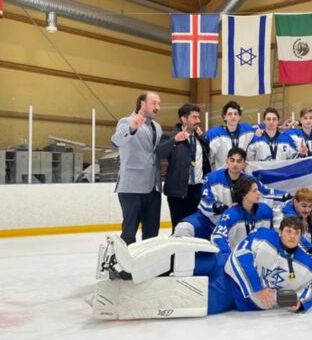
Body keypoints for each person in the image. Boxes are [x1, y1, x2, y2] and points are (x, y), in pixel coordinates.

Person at [207, 217, 312, 314]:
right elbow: (241, 254)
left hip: (237, 297)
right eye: (288, 231)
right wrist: (257, 288)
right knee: (199, 261)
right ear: (280, 231)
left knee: (202, 303)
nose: (292, 236)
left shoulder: (307, 264)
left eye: (297, 233)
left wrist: (300, 302)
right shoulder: (264, 236)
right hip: (229, 276)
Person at [174, 147, 286, 240]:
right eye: (232, 160)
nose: (235, 164)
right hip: (209, 220)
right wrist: (221, 207)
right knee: (183, 228)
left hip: (233, 222)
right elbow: (204, 201)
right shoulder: (212, 178)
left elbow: (267, 192)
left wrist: (286, 196)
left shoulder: (250, 181)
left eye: (239, 161)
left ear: (244, 164)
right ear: (227, 161)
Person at [111, 92, 163, 245]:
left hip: (153, 186)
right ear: (142, 104)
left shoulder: (157, 127)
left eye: (159, 104)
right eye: (154, 103)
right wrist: (132, 128)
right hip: (131, 187)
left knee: (152, 233)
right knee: (129, 232)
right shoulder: (126, 121)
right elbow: (116, 141)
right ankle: (125, 260)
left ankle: (149, 260)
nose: (158, 107)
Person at [157, 104, 212, 232]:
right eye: (194, 117)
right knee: (179, 229)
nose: (198, 120)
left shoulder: (200, 138)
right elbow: (159, 153)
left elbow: (206, 160)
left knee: (197, 228)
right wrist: (175, 140)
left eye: (198, 117)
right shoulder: (170, 136)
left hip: (198, 191)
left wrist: (202, 137)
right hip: (178, 193)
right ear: (183, 119)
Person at [211, 177, 274, 254]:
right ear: (244, 194)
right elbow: (218, 237)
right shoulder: (231, 215)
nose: (259, 193)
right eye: (254, 191)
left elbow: (271, 235)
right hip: (235, 257)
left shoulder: (266, 211)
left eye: (257, 189)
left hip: (259, 257)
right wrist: (227, 255)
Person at [206, 101, 255, 170]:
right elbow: (209, 158)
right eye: (230, 114)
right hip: (222, 174)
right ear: (224, 117)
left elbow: (265, 127)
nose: (233, 116)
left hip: (241, 173)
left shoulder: (247, 130)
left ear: (239, 117)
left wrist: (259, 130)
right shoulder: (215, 134)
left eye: (236, 114)